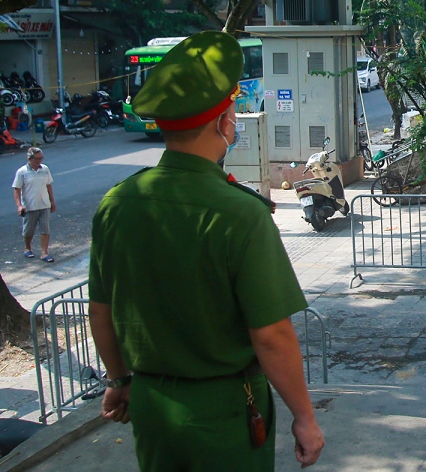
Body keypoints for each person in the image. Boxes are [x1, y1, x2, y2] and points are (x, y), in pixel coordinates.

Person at [88, 32, 324, 471]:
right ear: (224, 122)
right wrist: (305, 418)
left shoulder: (117, 203)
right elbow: (271, 336)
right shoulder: (240, 214)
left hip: (153, 408)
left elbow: (100, 311)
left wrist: (119, 380)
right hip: (225, 413)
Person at [13, 147, 54, 262]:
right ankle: (27, 248)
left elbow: (48, 186)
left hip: (44, 205)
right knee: (28, 231)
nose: (39, 161)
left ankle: (44, 253)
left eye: (41, 158)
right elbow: (17, 189)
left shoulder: (45, 169)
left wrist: (52, 201)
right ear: (29, 159)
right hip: (30, 207)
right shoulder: (22, 172)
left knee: (45, 229)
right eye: (36, 159)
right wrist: (19, 205)